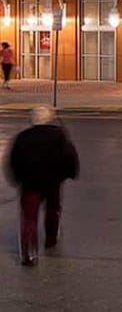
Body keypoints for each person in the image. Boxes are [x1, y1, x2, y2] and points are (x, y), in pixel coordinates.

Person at [5, 105, 79, 266]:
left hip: (29, 183)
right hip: (53, 182)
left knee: (29, 218)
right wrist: (69, 173)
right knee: (53, 210)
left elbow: (13, 160)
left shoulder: (22, 137)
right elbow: (69, 155)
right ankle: (50, 239)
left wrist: (17, 178)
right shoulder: (59, 135)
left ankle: (28, 253)